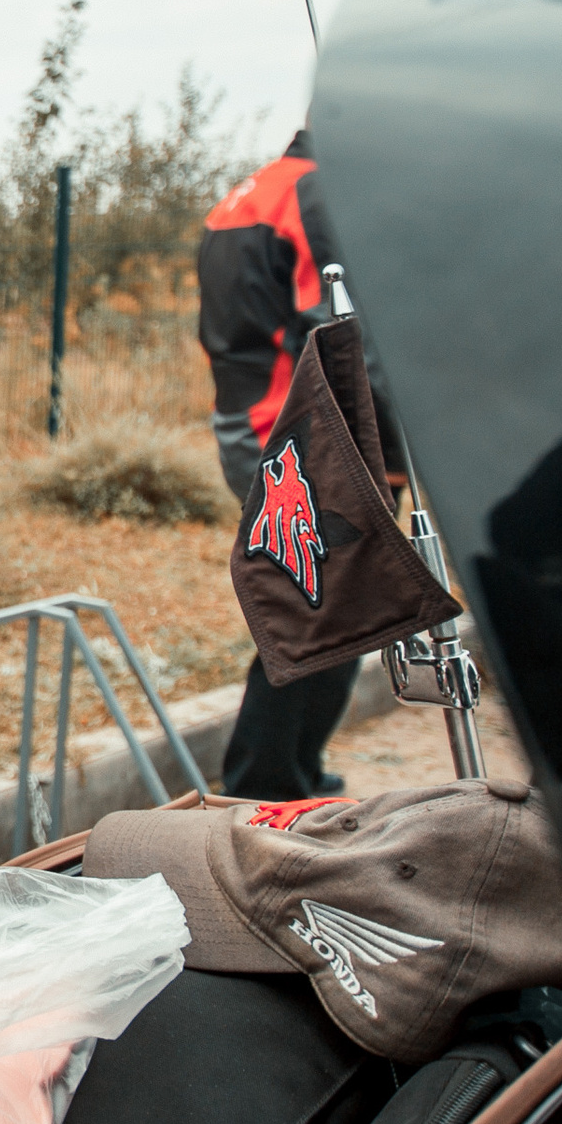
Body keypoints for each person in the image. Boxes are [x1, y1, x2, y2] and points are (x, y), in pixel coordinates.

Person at [198, 127, 364, 800]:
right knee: (323, 604)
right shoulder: (315, 195)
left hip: (250, 421)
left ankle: (293, 770)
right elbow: (344, 331)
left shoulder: (248, 194)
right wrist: (383, 449)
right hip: (301, 432)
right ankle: (264, 783)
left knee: (325, 598)